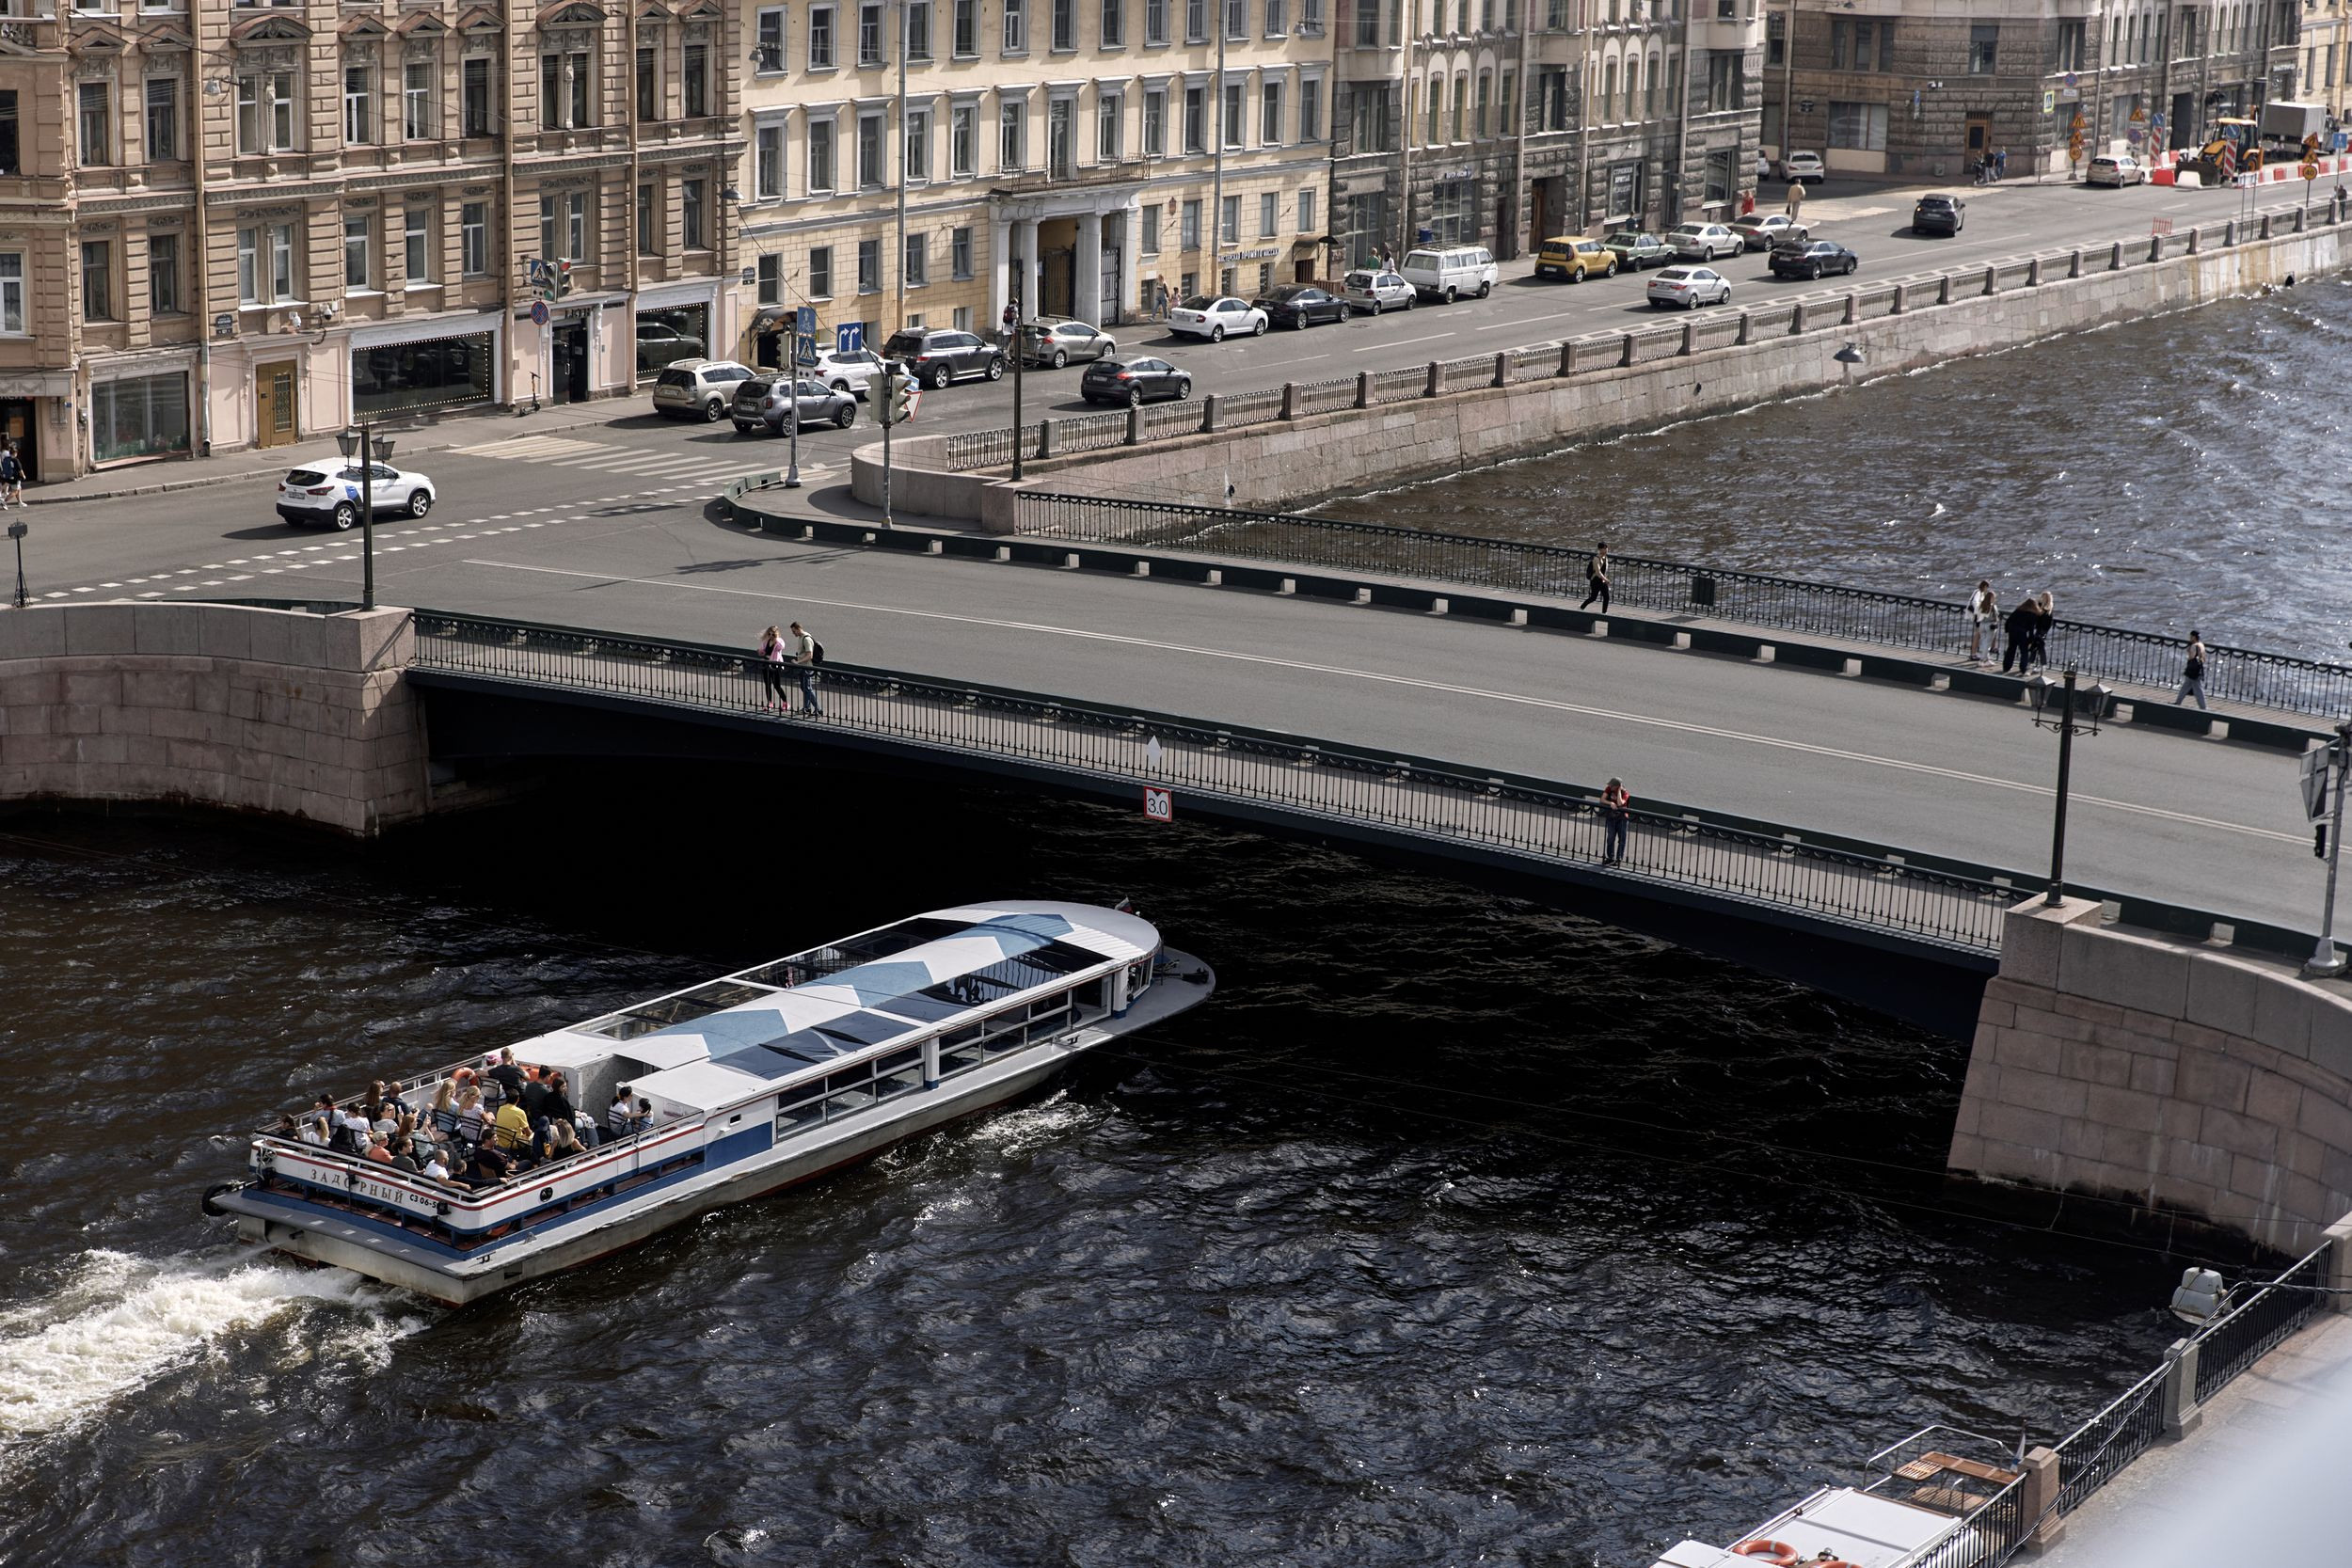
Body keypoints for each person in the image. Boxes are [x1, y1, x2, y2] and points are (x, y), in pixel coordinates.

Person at [787, 620, 824, 716]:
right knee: (804, 688)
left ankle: (818, 710)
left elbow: (809, 655)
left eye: (794, 631)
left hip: (806, 668)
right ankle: (807, 708)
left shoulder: (806, 639)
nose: (793, 633)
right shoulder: (801, 637)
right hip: (802, 667)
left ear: (798, 629)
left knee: (807, 688)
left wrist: (798, 662)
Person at [2000, 595, 2039, 674]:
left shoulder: (2018, 610)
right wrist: (2030, 640)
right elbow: (2031, 629)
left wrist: (2007, 630)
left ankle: (2006, 666)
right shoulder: (2032, 615)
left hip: (2012, 630)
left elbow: (2008, 621)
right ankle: (2023, 668)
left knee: (2011, 649)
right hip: (2022, 632)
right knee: (2024, 651)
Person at [757, 624, 789, 712]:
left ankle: (785, 703)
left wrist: (776, 639)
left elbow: (781, 647)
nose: (771, 636)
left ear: (777, 634)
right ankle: (769, 703)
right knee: (767, 684)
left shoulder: (779, 642)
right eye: (769, 634)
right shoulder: (766, 641)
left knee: (777, 685)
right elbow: (762, 651)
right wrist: (760, 652)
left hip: (775, 665)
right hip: (766, 664)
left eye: (773, 634)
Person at [1600, 778, 1632, 865]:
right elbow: (1602, 799)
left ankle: (1619, 859)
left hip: (1622, 819)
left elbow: (1620, 803)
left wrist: (1618, 792)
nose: (1609, 786)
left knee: (1621, 839)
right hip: (1611, 817)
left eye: (1612, 785)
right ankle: (1610, 857)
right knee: (1610, 838)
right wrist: (1610, 803)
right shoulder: (1609, 789)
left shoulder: (1625, 793)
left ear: (1617, 786)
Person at [2174, 629, 2209, 709]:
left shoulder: (2194, 646)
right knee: (2185, 687)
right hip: (2199, 668)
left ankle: (2203, 707)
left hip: (2193, 671)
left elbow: (2191, 657)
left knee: (2198, 690)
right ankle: (2178, 702)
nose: (2190, 638)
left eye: (2191, 636)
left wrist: (2189, 650)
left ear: (2193, 637)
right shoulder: (2201, 645)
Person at [1967, 581, 1998, 665]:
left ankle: (1983, 657)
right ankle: (1982, 658)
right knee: (1984, 640)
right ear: (1984, 586)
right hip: (1983, 621)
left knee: (1983, 639)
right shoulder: (1979, 593)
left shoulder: (1979, 594)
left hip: (1981, 621)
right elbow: (1975, 604)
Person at [1580, 543, 1612, 613]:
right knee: (1593, 598)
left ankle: (1604, 613)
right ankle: (1581, 607)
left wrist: (1605, 579)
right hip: (1595, 581)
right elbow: (1598, 572)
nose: (1606, 549)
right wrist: (1606, 580)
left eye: (1606, 548)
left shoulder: (1605, 558)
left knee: (1606, 597)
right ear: (1600, 549)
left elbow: (1604, 571)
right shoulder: (1596, 559)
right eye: (1604, 548)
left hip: (1602, 581)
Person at [2030, 591, 2056, 670]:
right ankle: (2033, 663)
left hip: (2042, 630)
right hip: (2040, 629)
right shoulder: (2044, 606)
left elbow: (2039, 614)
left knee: (2039, 646)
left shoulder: (2046, 607)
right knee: (2036, 646)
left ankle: (2040, 664)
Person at [2, 442, 24, 509]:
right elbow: (20, 470)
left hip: (9, 477)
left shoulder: (7, 458)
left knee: (19, 489)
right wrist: (23, 476)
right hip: (15, 478)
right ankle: (4, 501)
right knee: (15, 491)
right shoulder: (16, 460)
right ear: (15, 453)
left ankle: (20, 502)